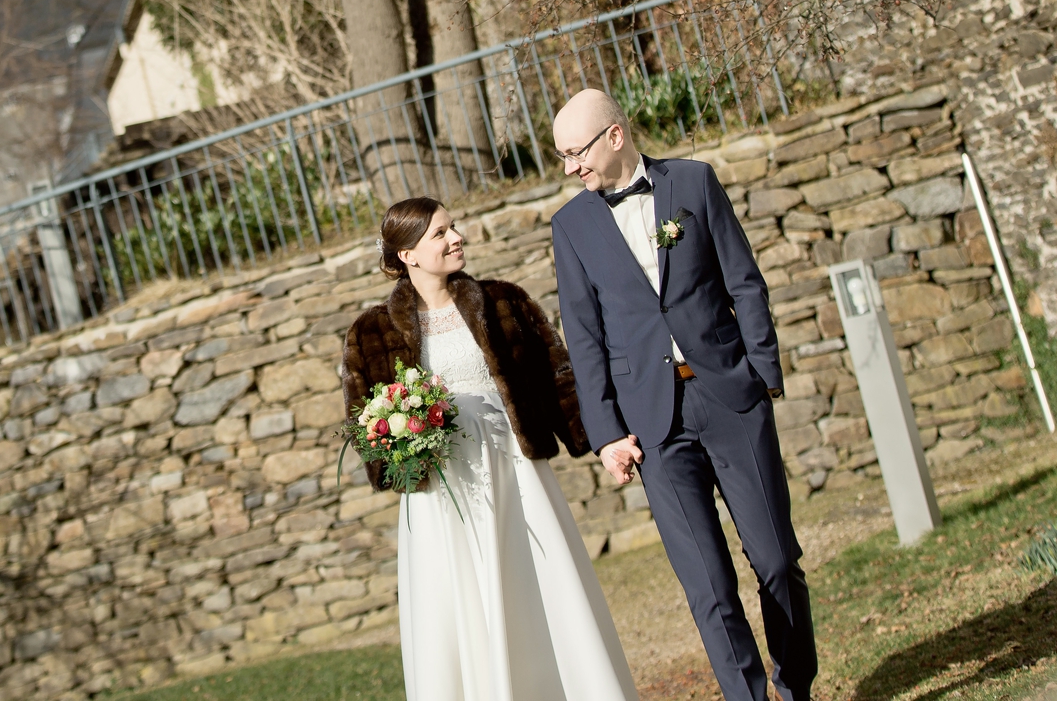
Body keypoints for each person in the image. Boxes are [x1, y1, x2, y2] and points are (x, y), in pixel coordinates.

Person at [550, 88, 817, 701]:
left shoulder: (693, 184)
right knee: (709, 587)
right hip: (653, 426)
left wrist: (762, 374)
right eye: (562, 156)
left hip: (730, 397)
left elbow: (744, 281)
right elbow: (583, 338)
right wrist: (607, 432)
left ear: (614, 136)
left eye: (576, 152)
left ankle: (795, 687)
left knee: (776, 560)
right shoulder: (570, 227)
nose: (570, 168)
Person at [341, 196, 640, 701]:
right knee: (458, 605)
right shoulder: (371, 331)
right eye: (440, 233)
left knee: (542, 584)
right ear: (408, 254)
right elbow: (362, 418)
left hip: (516, 473)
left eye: (453, 227)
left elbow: (559, 377)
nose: (456, 237)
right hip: (440, 491)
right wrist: (398, 447)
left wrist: (601, 442)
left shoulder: (505, 302)